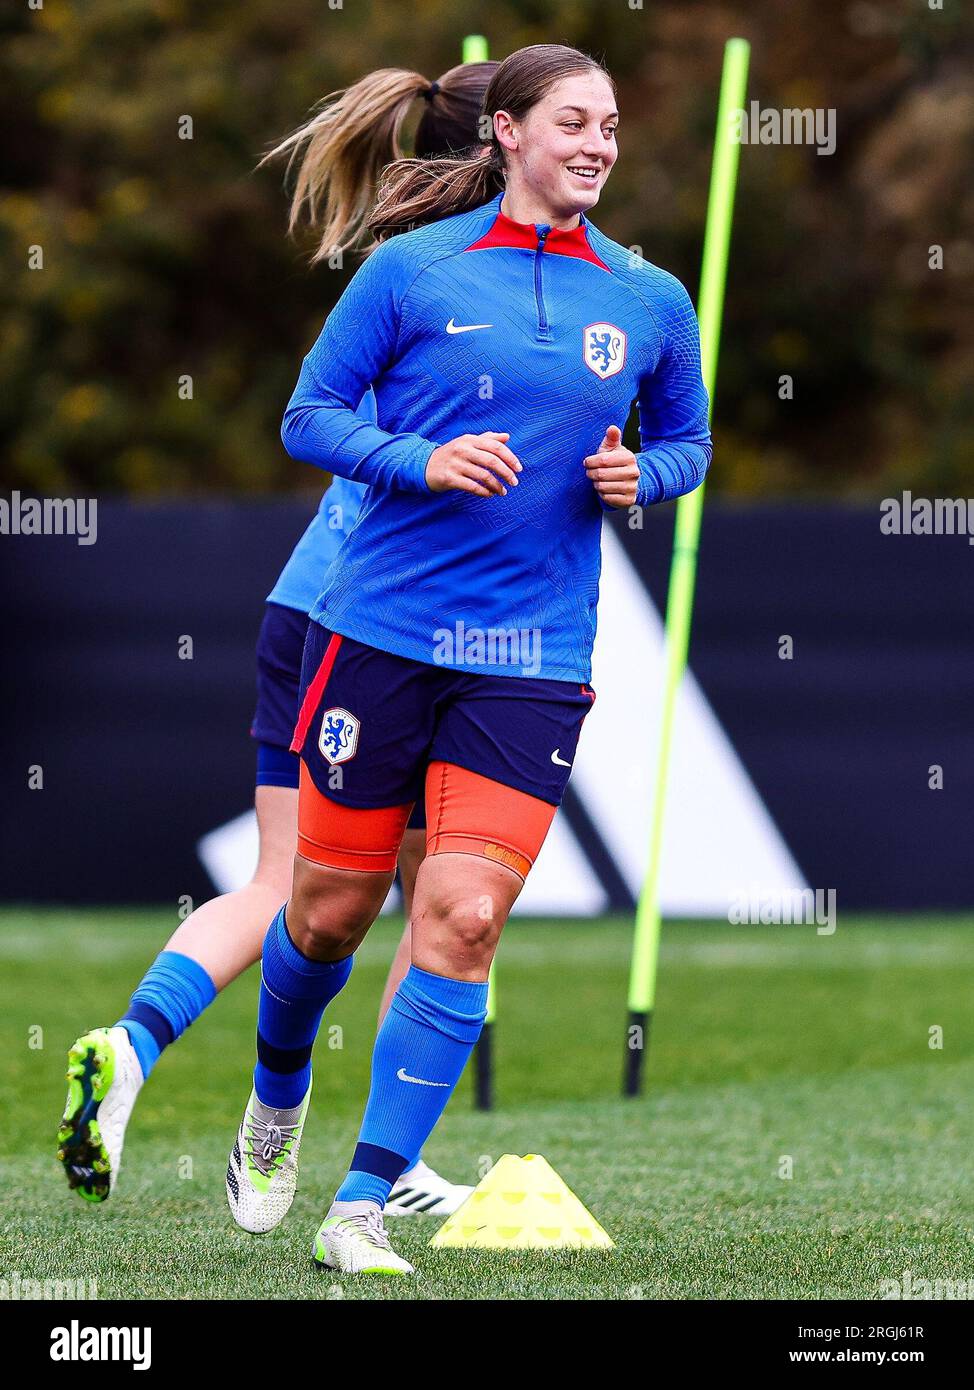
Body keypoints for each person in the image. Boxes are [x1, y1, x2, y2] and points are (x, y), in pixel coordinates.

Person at [229, 42, 714, 1276]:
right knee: (329, 916)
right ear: (503, 132)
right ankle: (275, 1104)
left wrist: (639, 476)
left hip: (531, 656)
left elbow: (688, 445)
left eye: (609, 124)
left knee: (465, 913)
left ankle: (359, 1202)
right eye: (571, 121)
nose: (597, 143)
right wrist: (421, 462)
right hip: (379, 633)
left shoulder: (649, 299)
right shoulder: (407, 271)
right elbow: (307, 417)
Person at [56, 60, 498, 1221]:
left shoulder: (401, 266)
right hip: (402, 622)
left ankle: (132, 1046)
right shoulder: (494, 280)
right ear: (504, 144)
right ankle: (378, 1160)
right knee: (434, 898)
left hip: (306, 598)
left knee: (283, 883)